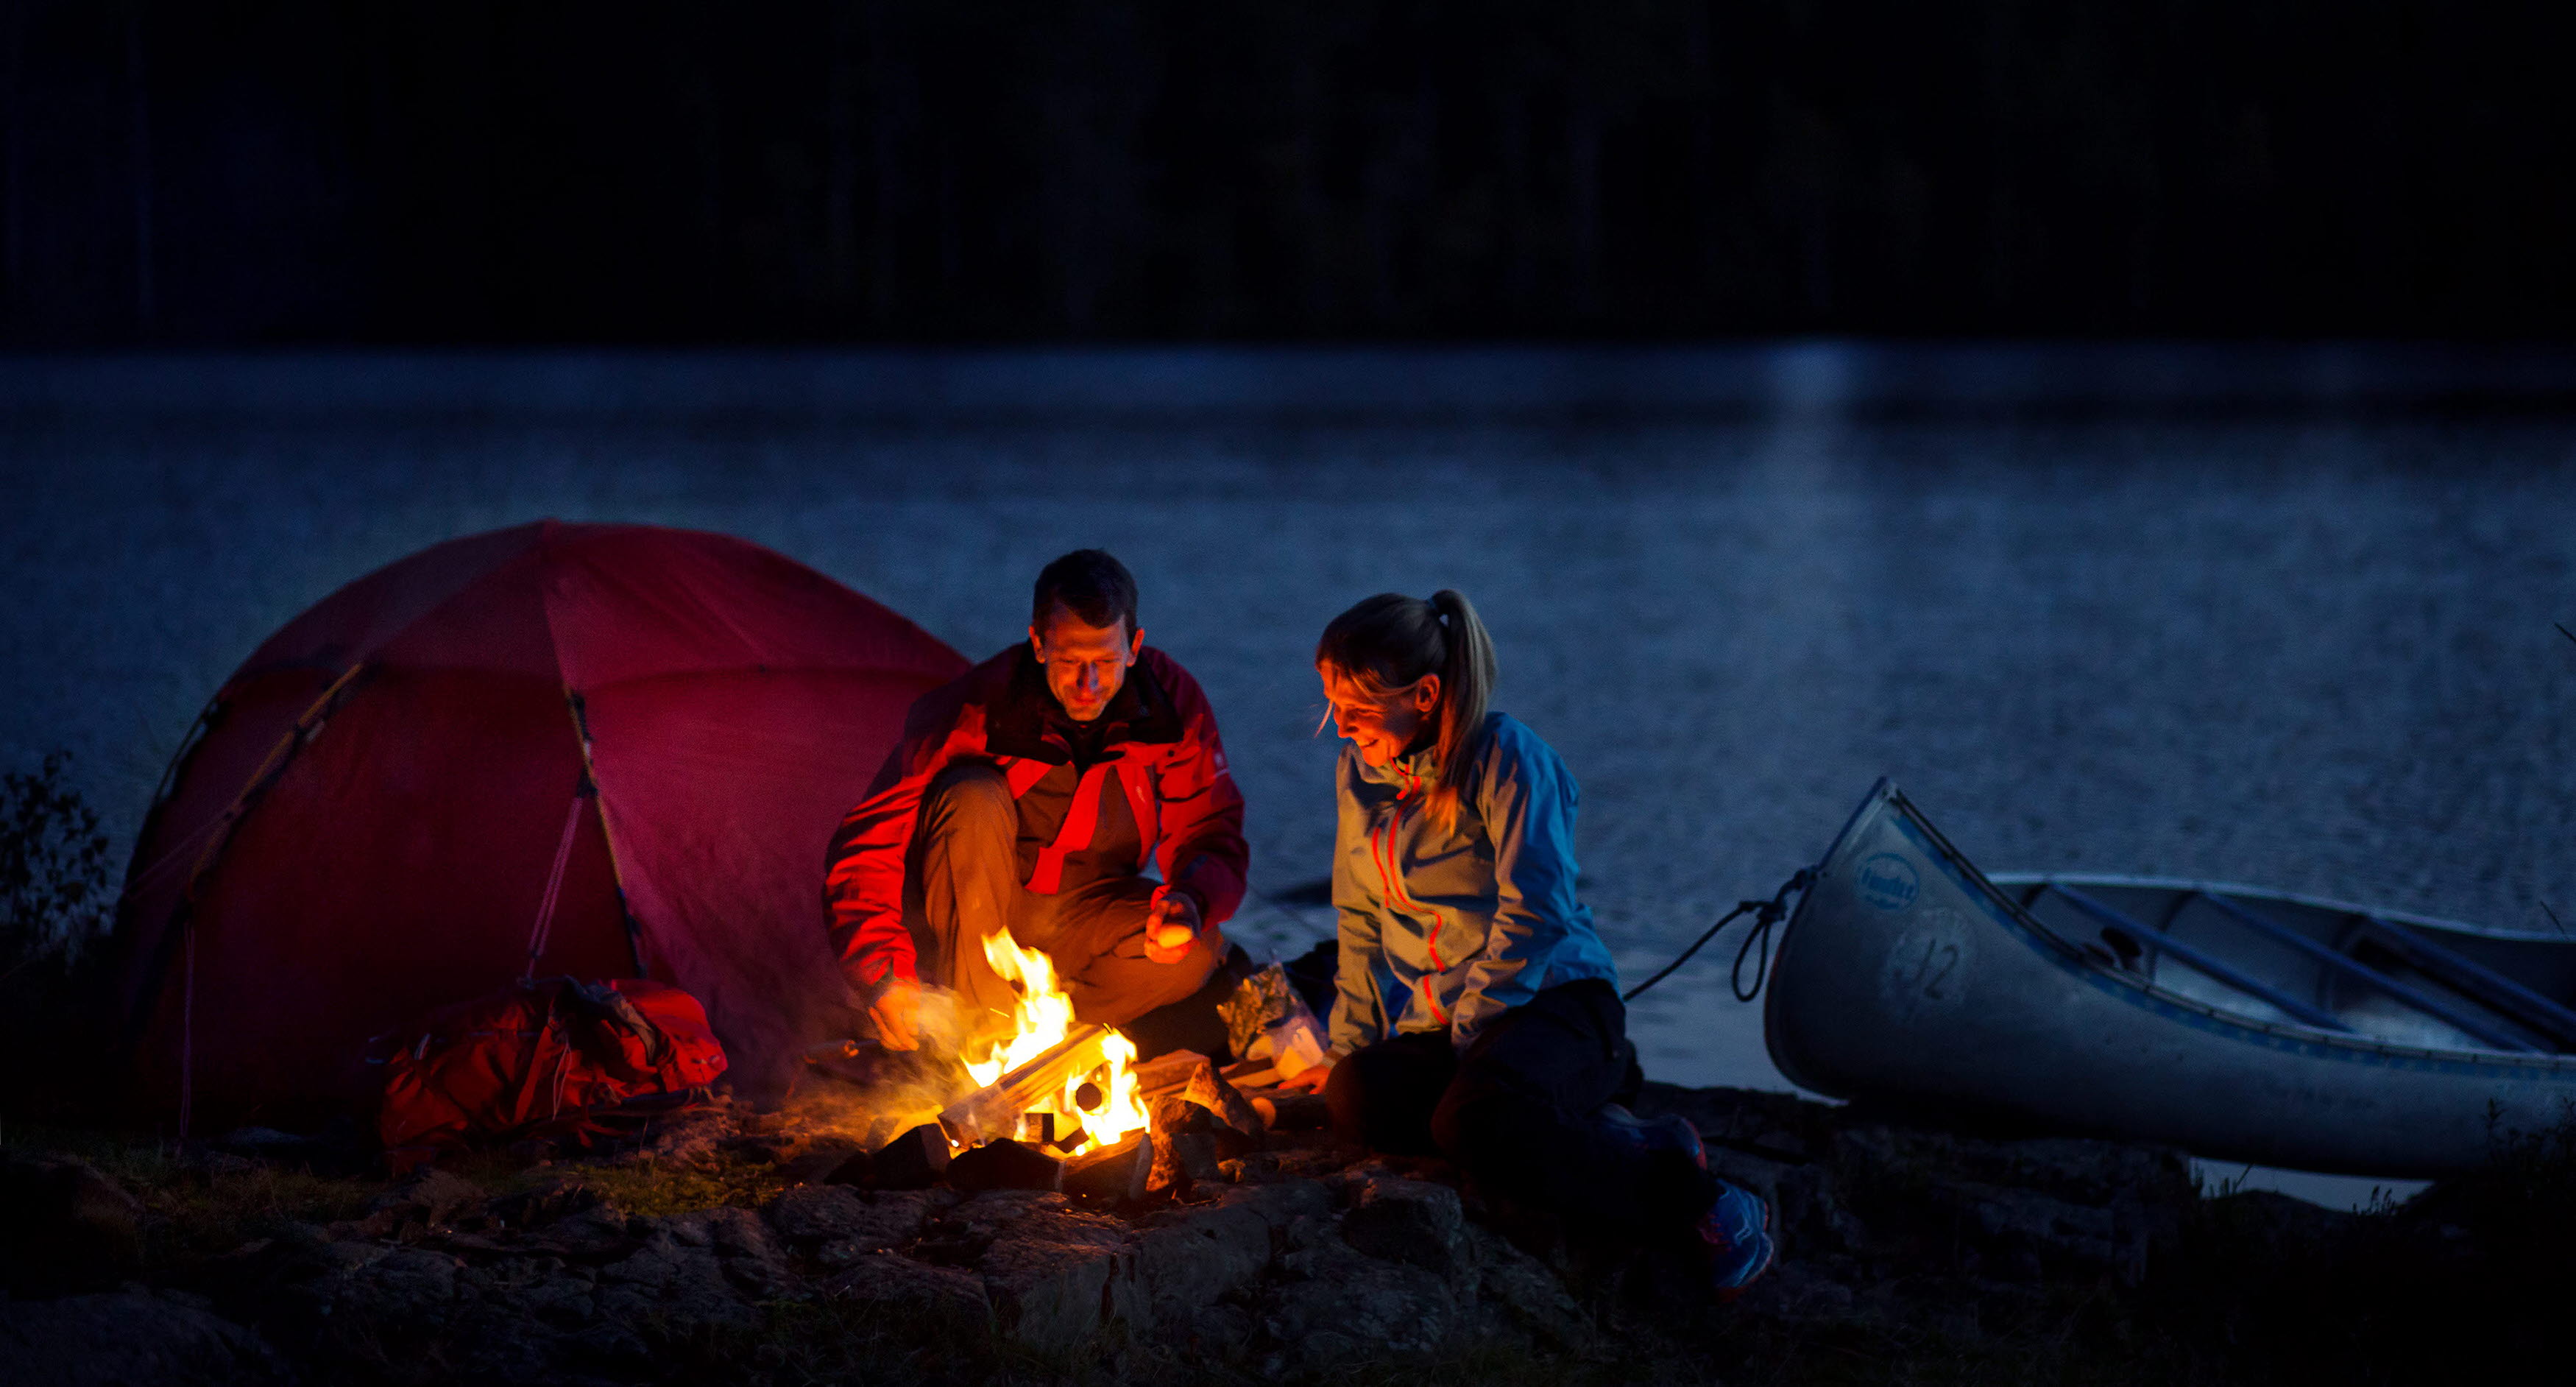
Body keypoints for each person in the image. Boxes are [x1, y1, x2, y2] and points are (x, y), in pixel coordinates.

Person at [1277, 589, 1774, 1296]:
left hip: (1555, 1002)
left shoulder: (1506, 756)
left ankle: (1702, 1201)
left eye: (1357, 709)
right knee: (1357, 1096)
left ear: (1424, 694)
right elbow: (1360, 918)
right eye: (1333, 706)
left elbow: (1534, 910)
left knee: (1476, 1122)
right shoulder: (1361, 774)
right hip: (1455, 1026)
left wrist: (1477, 1028)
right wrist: (1346, 1046)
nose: (1341, 727)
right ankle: (1606, 1129)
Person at [824, 549, 1249, 1061]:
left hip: (1090, 911)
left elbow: (1210, 827)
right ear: (1039, 643)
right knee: (970, 795)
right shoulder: (979, 708)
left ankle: (1050, 1048)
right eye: (1070, 662)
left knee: (1196, 949)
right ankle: (984, 1044)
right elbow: (868, 848)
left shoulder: (1170, 706)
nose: (1088, 685)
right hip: (980, 916)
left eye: (1106, 662)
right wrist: (884, 972)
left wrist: (1191, 901)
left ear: (1134, 646)